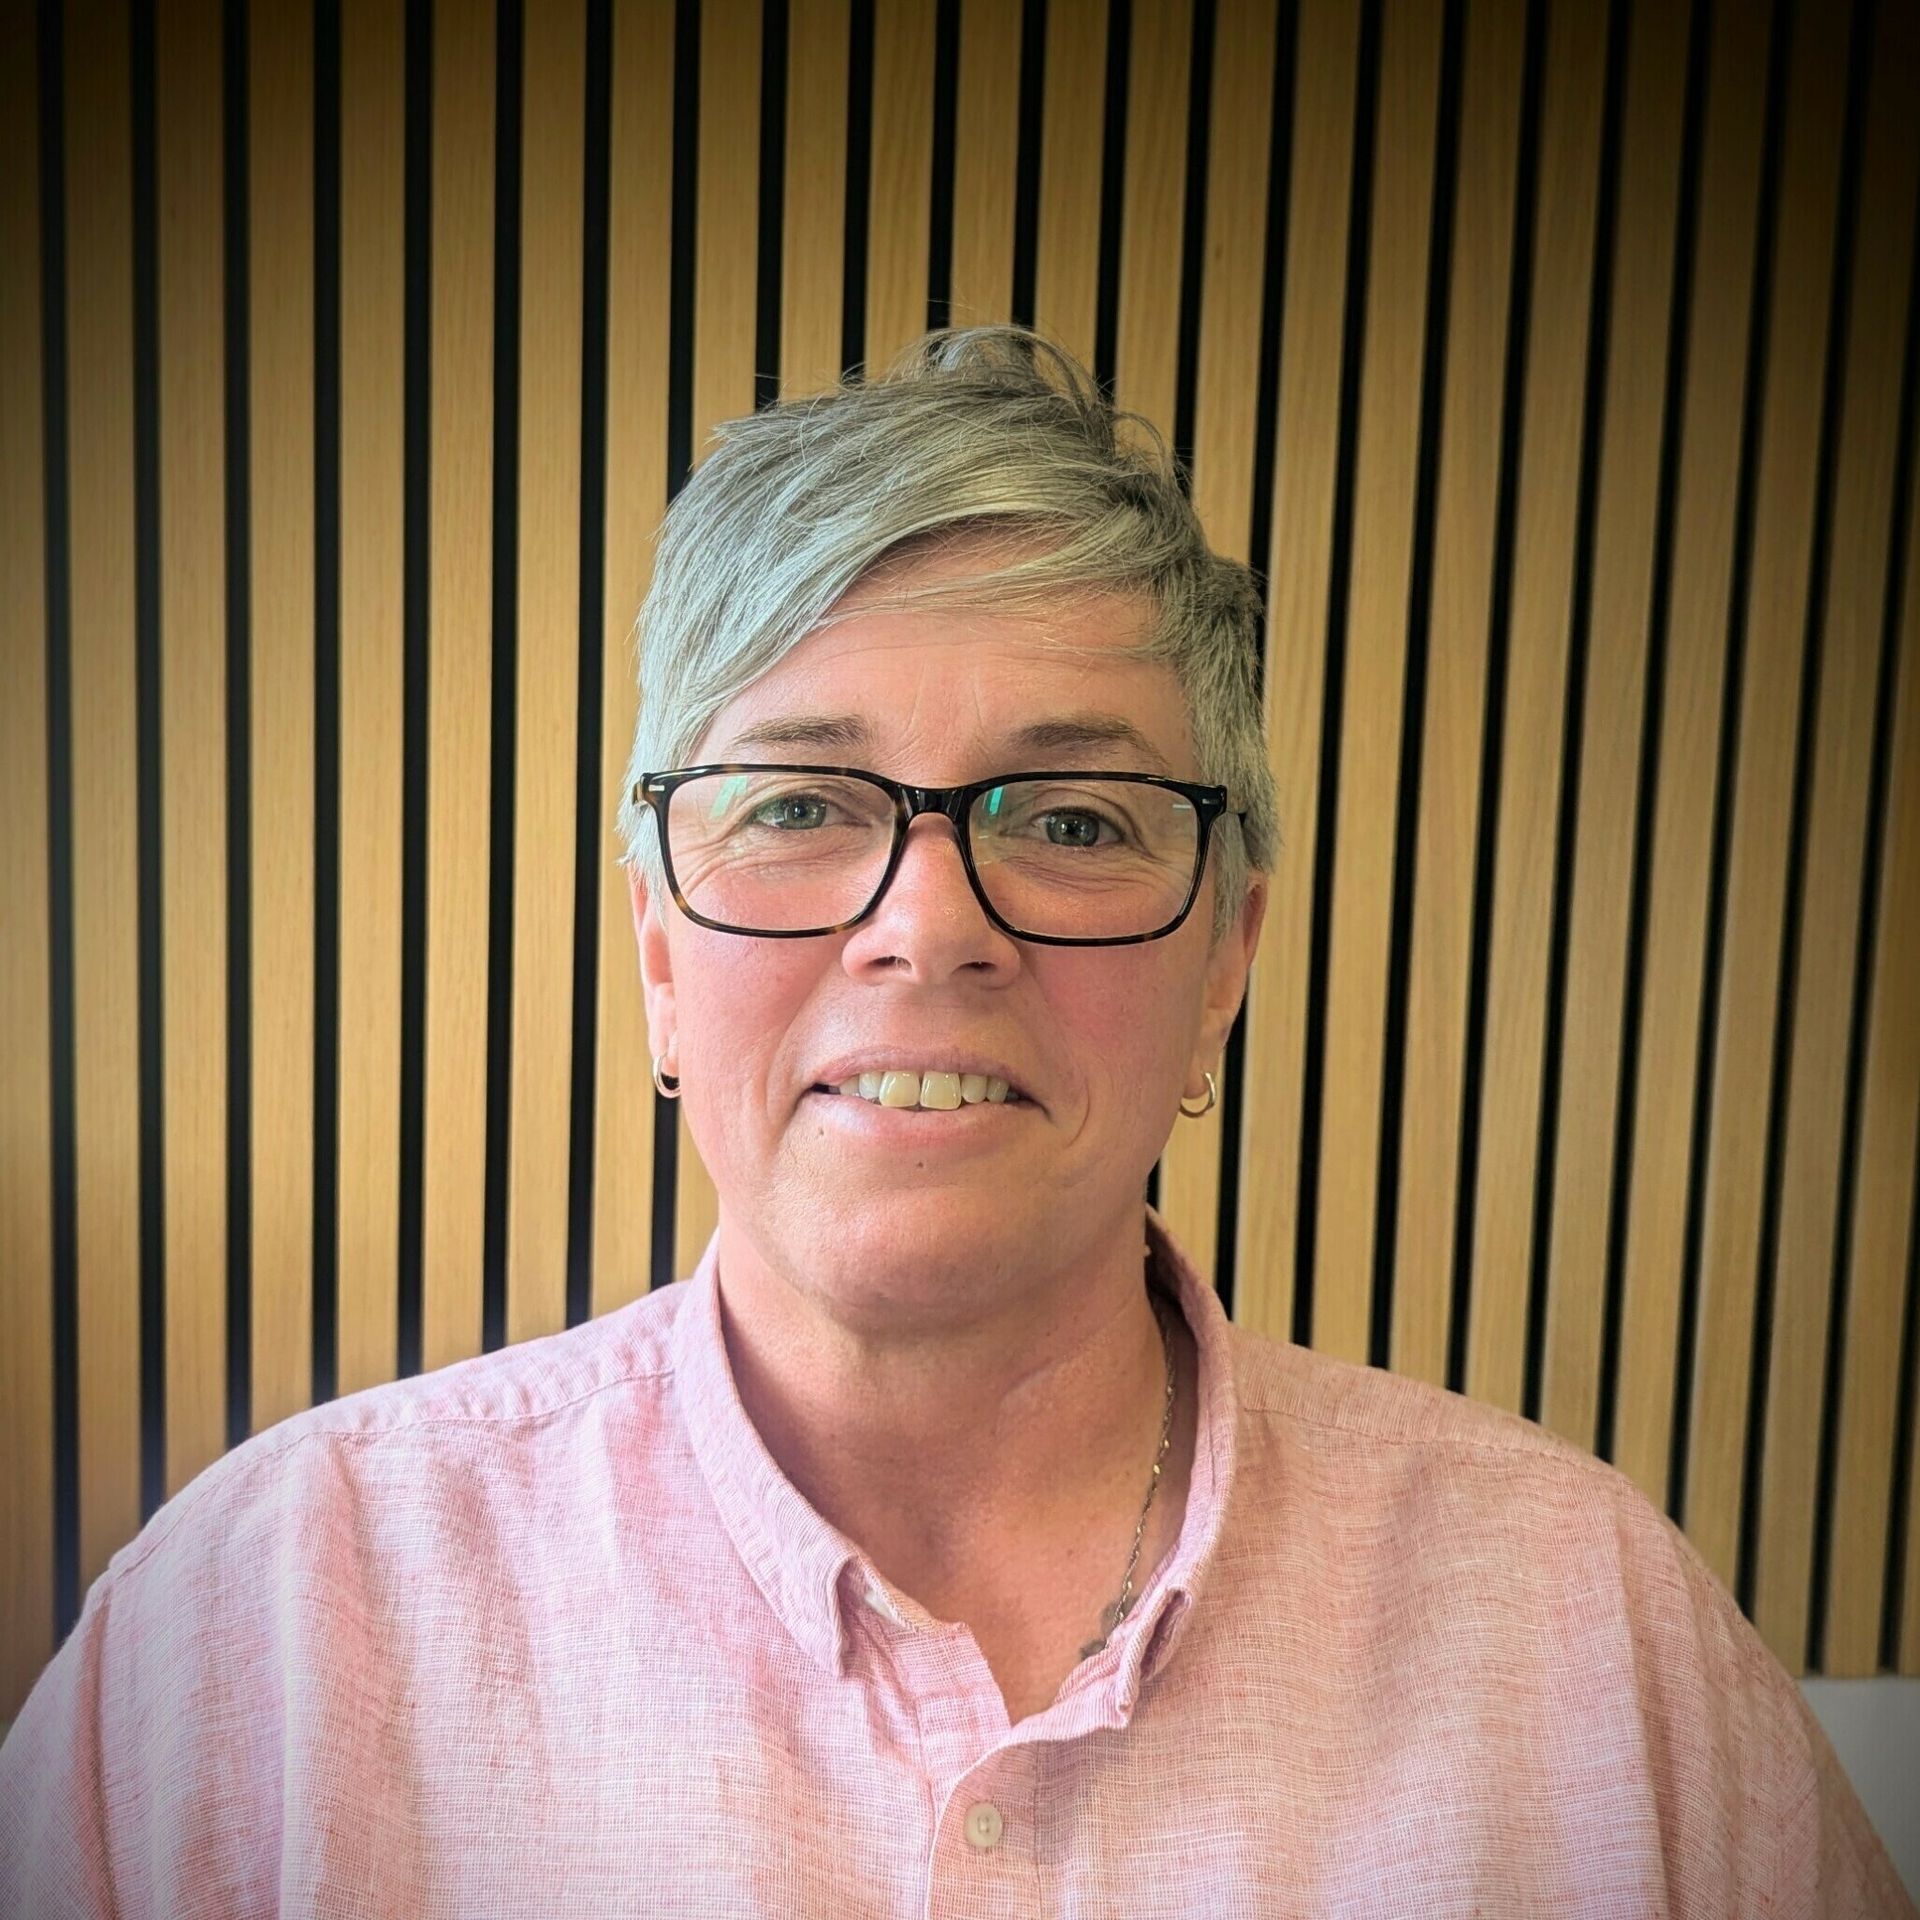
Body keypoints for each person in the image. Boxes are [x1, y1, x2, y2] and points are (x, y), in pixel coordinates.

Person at [0, 328, 1910, 1918]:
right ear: (660, 953)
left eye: (1072, 822)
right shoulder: (254, 1637)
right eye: (798, 805)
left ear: (1226, 960)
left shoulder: (1602, 1653)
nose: (929, 928)